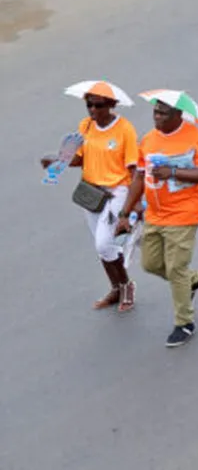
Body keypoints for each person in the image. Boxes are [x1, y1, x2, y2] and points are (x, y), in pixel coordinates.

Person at [42, 83, 144, 314]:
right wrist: (56, 161)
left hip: (116, 192)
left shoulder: (124, 130)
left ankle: (127, 287)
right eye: (89, 104)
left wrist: (134, 203)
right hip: (91, 193)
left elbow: (133, 168)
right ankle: (116, 288)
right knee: (102, 247)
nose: (92, 110)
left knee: (103, 243)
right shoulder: (85, 126)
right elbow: (78, 158)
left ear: (111, 105)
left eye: (98, 105)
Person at [138, 92, 198, 347]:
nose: (157, 117)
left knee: (175, 268)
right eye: (155, 112)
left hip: (185, 211)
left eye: (163, 113)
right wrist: (125, 213)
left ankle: (184, 323)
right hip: (154, 213)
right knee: (150, 264)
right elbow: (139, 177)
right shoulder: (149, 140)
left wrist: (172, 171)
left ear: (178, 115)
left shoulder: (196, 138)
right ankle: (192, 280)